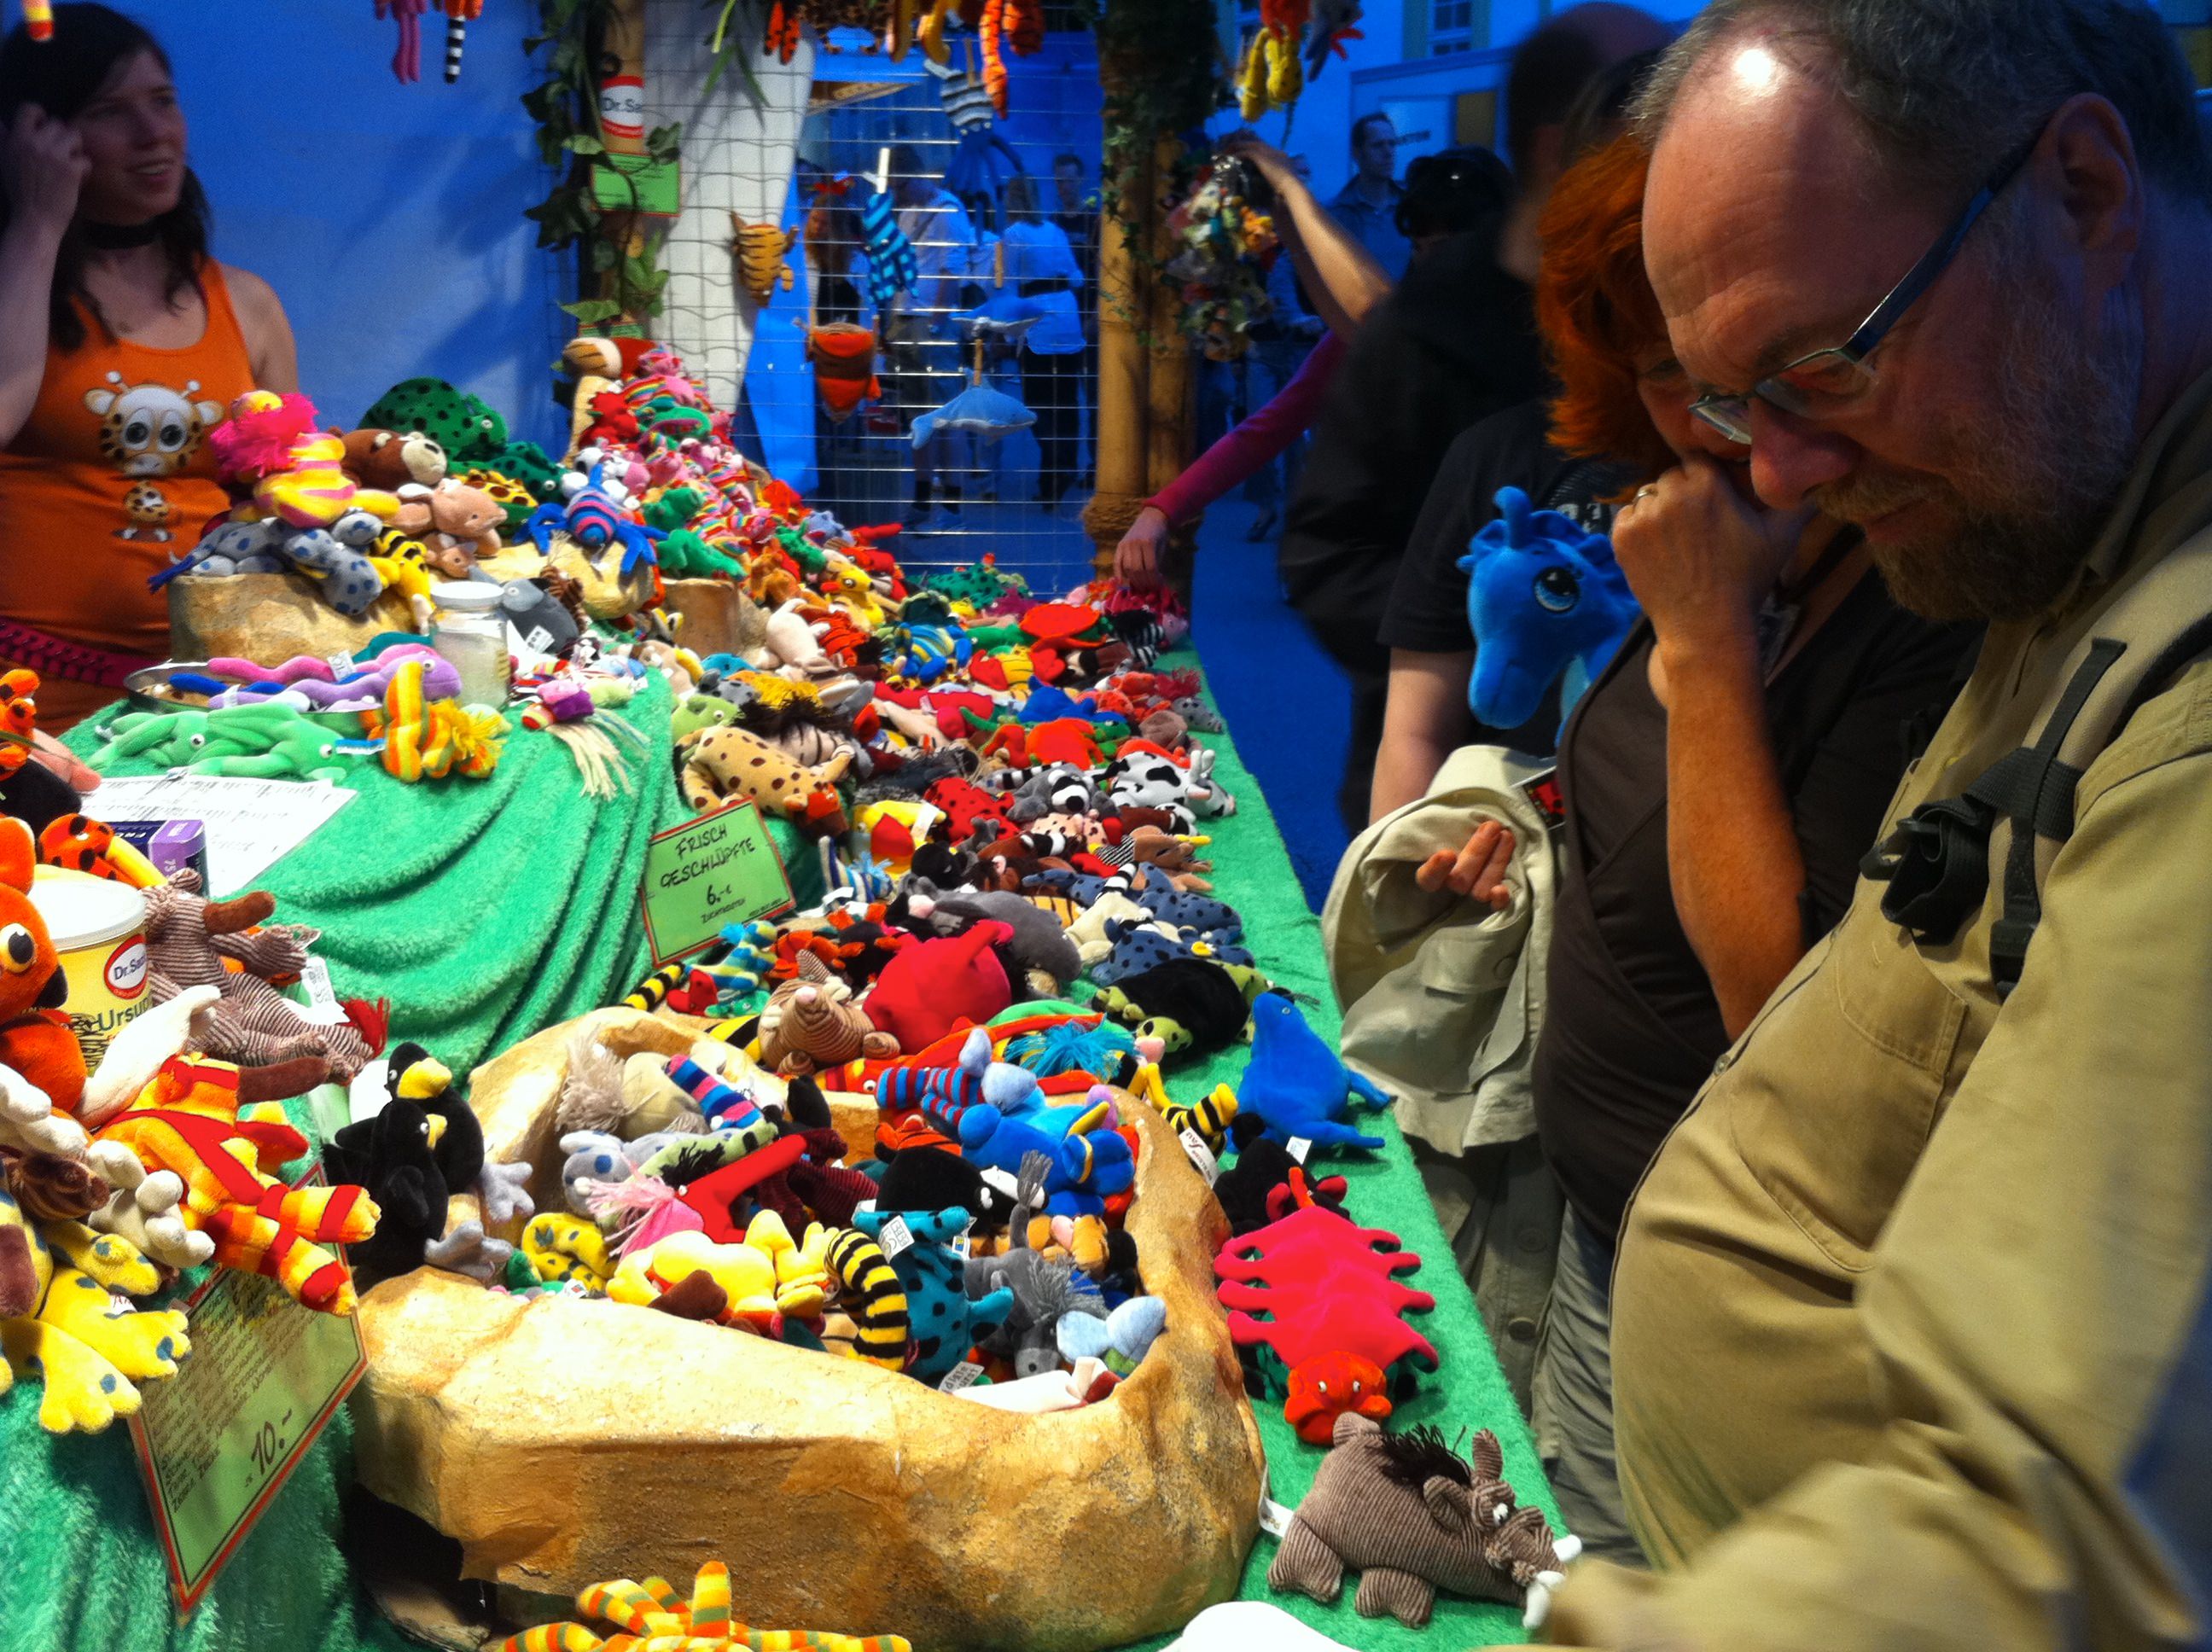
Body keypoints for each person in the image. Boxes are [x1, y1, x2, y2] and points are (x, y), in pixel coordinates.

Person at [1528, 2, 2212, 1643]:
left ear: (2082, 188)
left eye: (1826, 365)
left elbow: (2054, 1534)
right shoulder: (2058, 533)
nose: (1773, 474)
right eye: (1721, 401)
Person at [1408, 128, 1976, 1562]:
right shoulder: (1703, 527)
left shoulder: (1911, 602)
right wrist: (1542, 836)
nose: (1740, 437)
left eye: (1787, 372)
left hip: (1741, 1294)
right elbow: (1646, 784)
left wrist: (1708, 641)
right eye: (1678, 378)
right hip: (1599, 1217)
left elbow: (1778, 1008)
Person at [1272, 3, 1674, 834]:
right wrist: (1505, 623)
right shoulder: (1428, 332)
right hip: (1464, 784)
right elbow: (1327, 556)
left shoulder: (1677, 324)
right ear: (1563, 145)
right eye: (1649, 107)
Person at [0, 3, 298, 730]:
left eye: (163, 101)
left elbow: (292, 499)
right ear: (38, 137)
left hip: (206, 695)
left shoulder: (248, 303)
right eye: (110, 111)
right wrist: (36, 221)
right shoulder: (16, 284)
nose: (153, 132)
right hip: (28, 698)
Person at [1111, 146, 1514, 591]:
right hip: (1425, 568)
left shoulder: (1506, 325)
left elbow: (1374, 315)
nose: (1429, 263)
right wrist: (1162, 510)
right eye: (1419, 247)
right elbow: (1271, 425)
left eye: (1445, 246)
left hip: (1505, 563)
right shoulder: (1409, 324)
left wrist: (1291, 191)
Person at [874, 145, 976, 530]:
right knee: (918, 417)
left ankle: (952, 507)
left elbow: (952, 272)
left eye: (901, 187)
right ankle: (921, 501)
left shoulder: (948, 211)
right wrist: (889, 320)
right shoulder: (909, 210)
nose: (898, 196)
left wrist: (936, 323)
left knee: (945, 416)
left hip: (931, 325)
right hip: (906, 320)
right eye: (894, 189)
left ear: (919, 177)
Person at [997, 173, 1086, 509]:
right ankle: (1063, 469)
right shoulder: (1055, 230)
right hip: (1067, 319)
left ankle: (1054, 470)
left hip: (1037, 324)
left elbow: (1007, 287)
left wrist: (1006, 333)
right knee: (1067, 401)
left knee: (1038, 402)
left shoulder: (1012, 234)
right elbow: (1077, 278)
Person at [1330, 113, 1411, 282]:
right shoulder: (1336, 213)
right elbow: (1290, 265)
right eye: (1378, 145)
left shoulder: (1412, 206)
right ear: (1357, 153)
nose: (1388, 152)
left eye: (1392, 144)